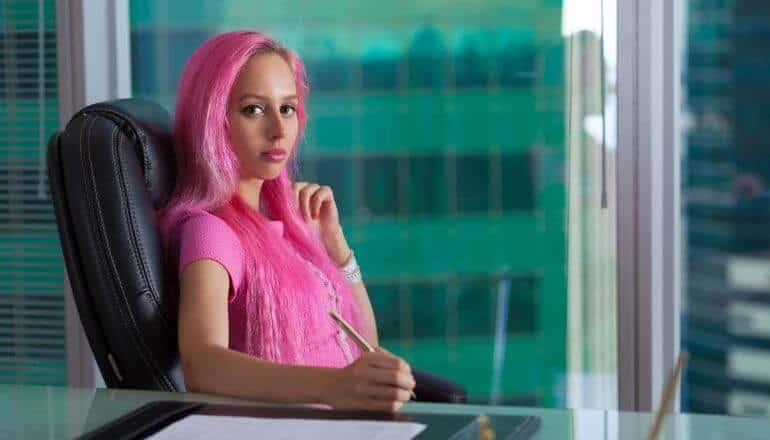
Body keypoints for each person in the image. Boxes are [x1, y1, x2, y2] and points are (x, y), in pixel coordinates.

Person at [157, 31, 415, 411]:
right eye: (253, 110)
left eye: (287, 109)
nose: (278, 129)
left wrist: (337, 249)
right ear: (213, 120)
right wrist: (333, 387)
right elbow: (202, 364)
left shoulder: (290, 219)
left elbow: (364, 342)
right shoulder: (211, 230)